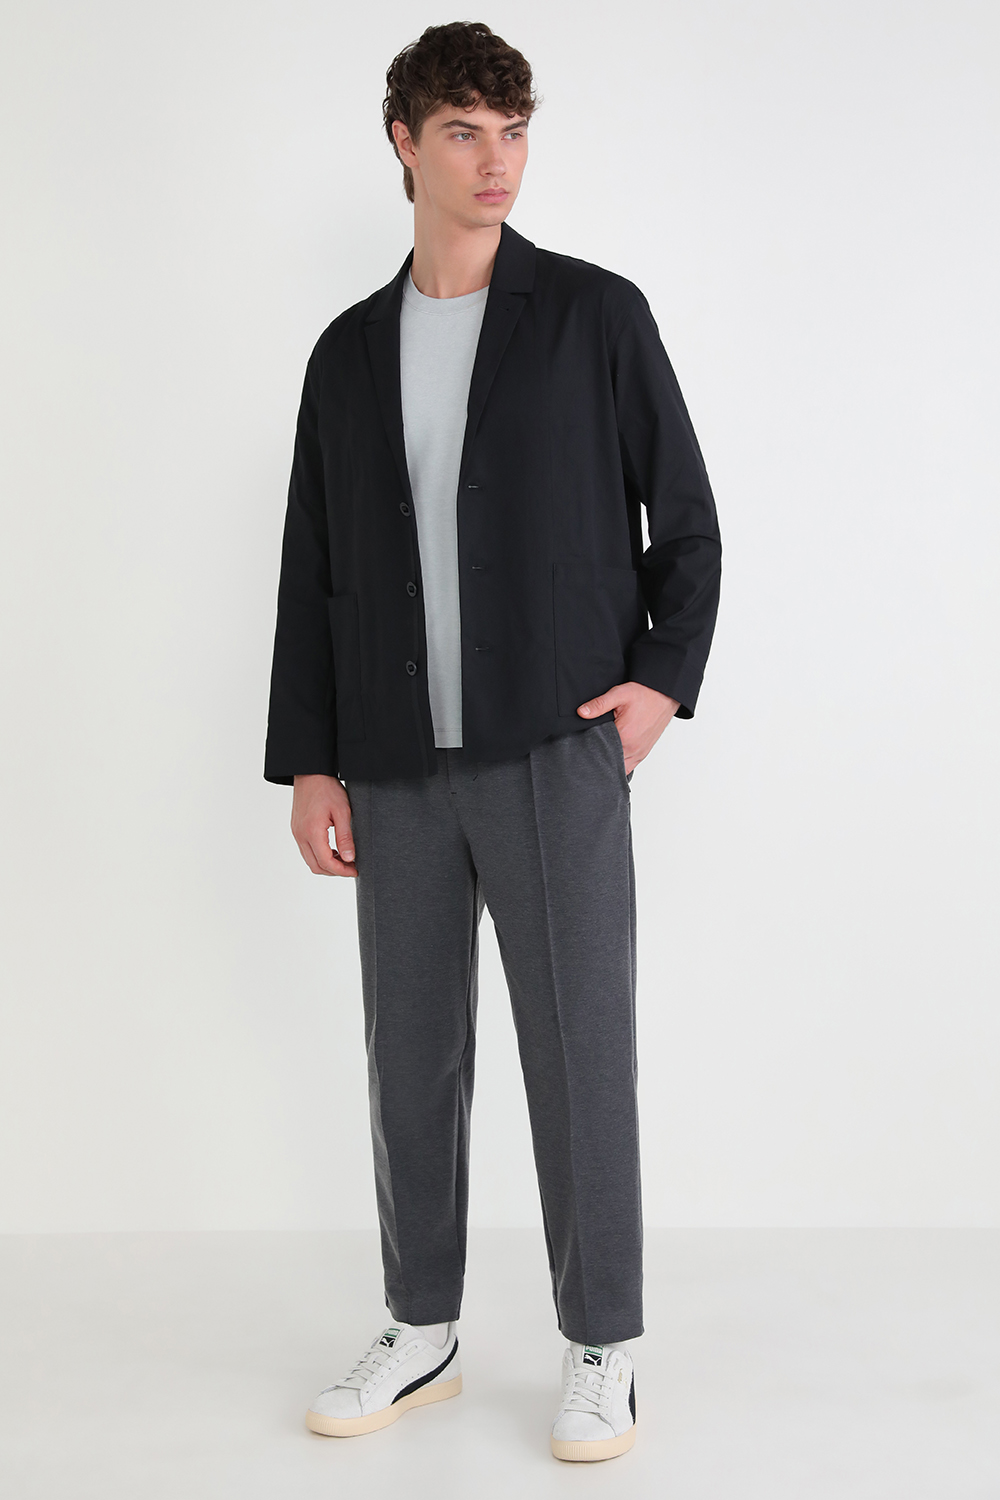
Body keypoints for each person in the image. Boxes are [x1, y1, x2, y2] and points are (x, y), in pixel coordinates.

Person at [264, 20, 721, 1464]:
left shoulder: (593, 316)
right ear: (405, 142)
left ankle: (605, 1346)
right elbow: (312, 566)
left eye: (514, 131)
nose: (496, 161)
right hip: (395, 762)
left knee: (581, 1051)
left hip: (553, 747)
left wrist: (658, 686)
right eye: (465, 131)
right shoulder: (348, 353)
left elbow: (687, 521)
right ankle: (424, 1329)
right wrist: (312, 758)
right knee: (410, 1054)